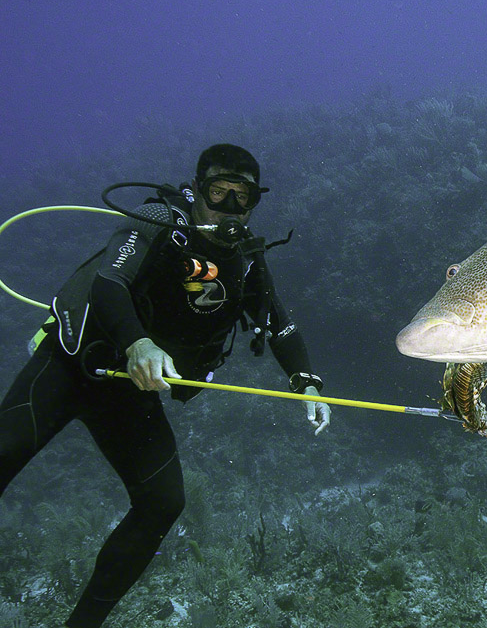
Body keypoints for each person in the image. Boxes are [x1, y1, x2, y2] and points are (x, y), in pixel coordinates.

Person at [0, 144, 331, 627]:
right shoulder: (157, 219)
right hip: (72, 365)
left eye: (244, 197)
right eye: (219, 192)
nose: (231, 208)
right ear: (196, 189)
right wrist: (137, 343)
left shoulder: (246, 260)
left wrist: (306, 382)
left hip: (130, 394)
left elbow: (280, 325)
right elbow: (110, 280)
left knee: (163, 503)